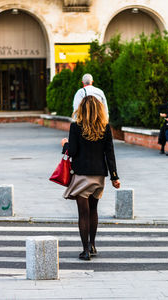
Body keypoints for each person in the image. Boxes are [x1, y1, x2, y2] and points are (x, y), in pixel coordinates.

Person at [61, 95, 120, 261]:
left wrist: (65, 144)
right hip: (99, 175)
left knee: (83, 214)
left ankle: (85, 250)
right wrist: (114, 176)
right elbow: (110, 154)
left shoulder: (75, 127)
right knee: (94, 211)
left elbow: (71, 151)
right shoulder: (105, 128)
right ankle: (93, 245)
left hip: (81, 176)